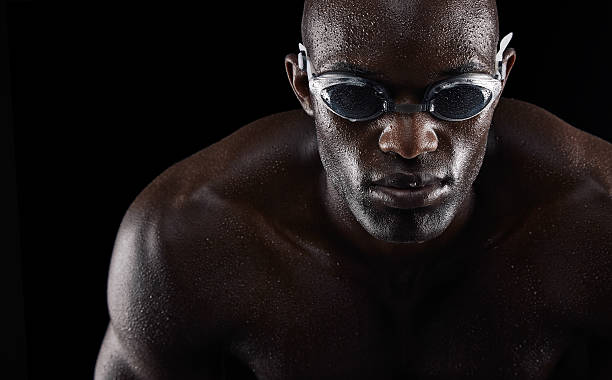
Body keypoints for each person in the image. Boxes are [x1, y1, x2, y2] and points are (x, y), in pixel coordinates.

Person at [95, 0, 612, 378]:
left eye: (458, 97)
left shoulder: (595, 218)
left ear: (503, 79)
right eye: (354, 96)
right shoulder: (182, 238)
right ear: (303, 87)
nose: (409, 143)